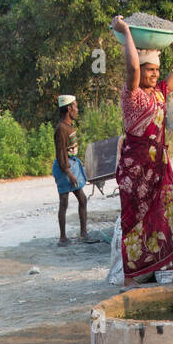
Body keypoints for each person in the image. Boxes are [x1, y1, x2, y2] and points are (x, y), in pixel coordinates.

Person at [111, 15, 173, 286]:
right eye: (150, 70)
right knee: (134, 221)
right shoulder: (132, 95)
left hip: (160, 166)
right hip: (136, 169)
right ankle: (130, 278)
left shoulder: (160, 92)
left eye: (156, 70)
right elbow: (132, 71)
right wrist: (126, 33)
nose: (154, 74)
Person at [53, 95, 100, 246]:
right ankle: (63, 238)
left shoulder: (69, 126)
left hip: (70, 165)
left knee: (82, 199)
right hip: (64, 168)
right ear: (68, 109)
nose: (77, 110)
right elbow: (61, 154)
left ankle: (83, 233)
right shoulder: (61, 129)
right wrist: (69, 173)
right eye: (75, 106)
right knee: (64, 201)